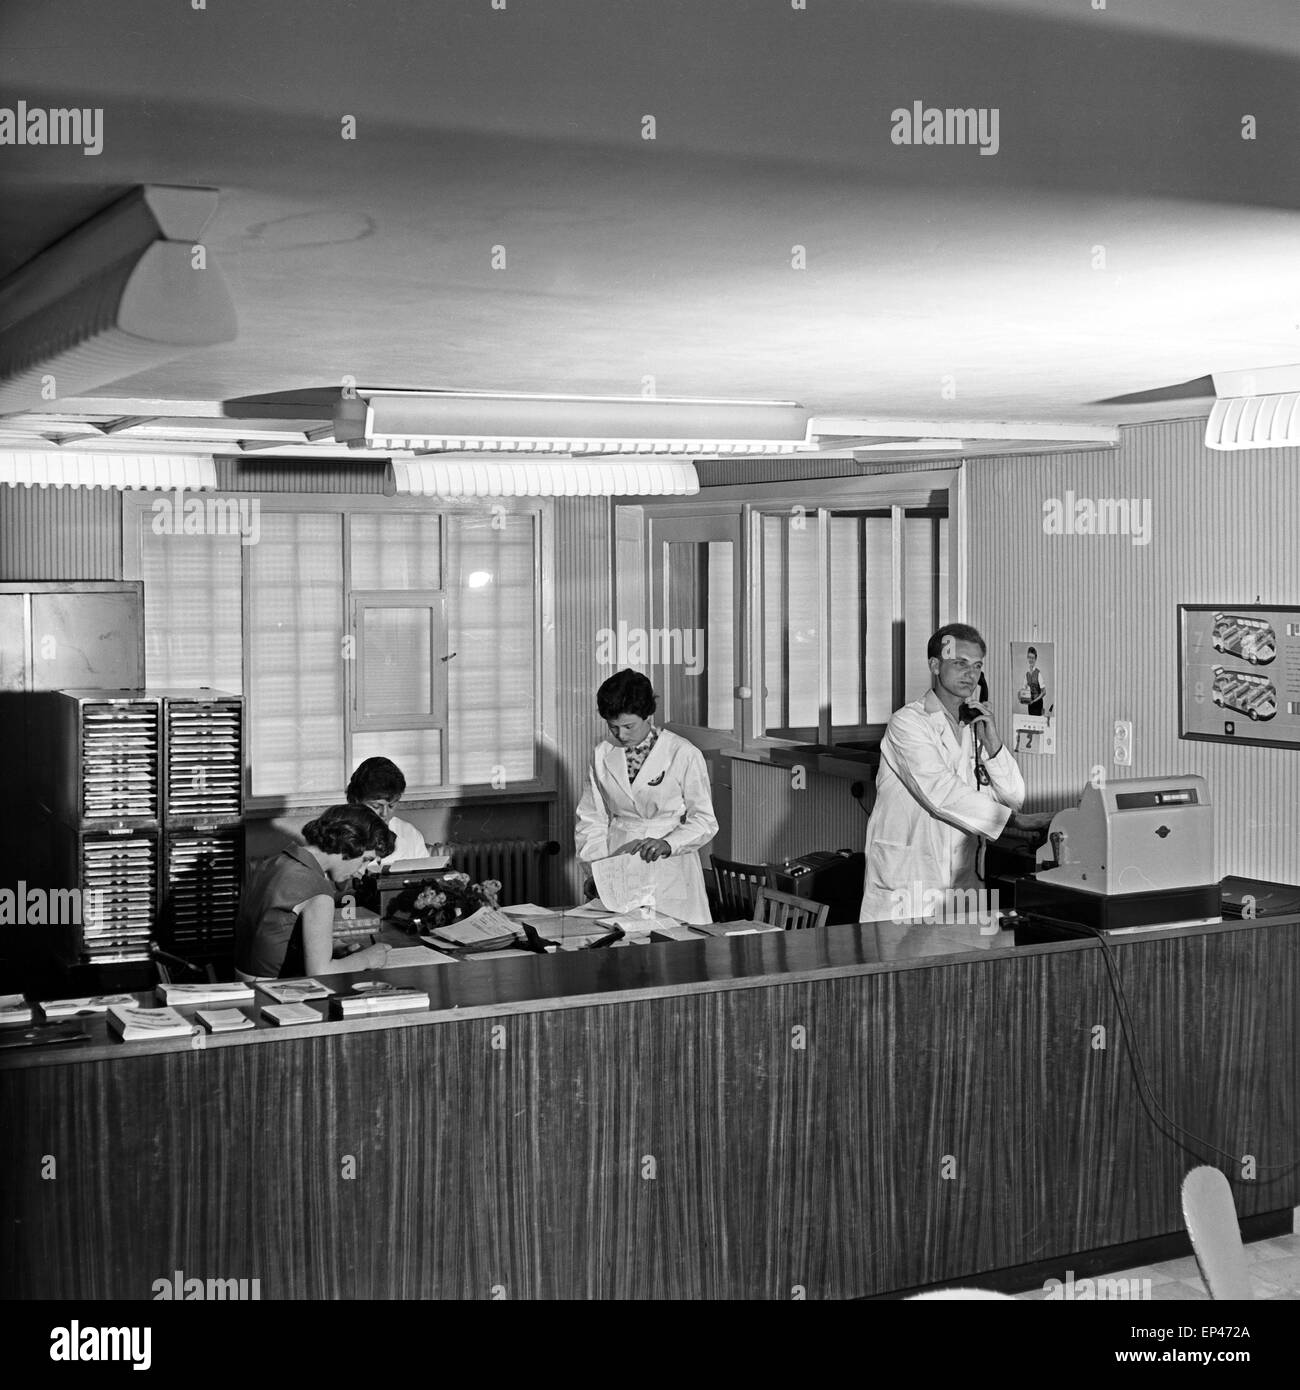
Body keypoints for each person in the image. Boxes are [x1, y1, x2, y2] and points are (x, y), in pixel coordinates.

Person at [859, 623, 1053, 924]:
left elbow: (1014, 797)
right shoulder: (908, 723)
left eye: (977, 666)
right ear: (935, 665)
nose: (971, 674)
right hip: (907, 884)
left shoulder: (975, 727)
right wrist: (1018, 822)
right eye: (960, 663)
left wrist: (994, 744)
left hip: (963, 884)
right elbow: (941, 792)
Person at [575, 669, 718, 924]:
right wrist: (596, 870)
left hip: (671, 867)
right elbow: (591, 819)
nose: (621, 735)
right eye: (613, 727)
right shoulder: (602, 753)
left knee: (675, 947)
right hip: (618, 862)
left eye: (629, 726)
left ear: (648, 715)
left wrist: (669, 844)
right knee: (620, 944)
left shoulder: (682, 753)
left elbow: (705, 820)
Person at [235, 804, 395, 979]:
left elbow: (273, 935)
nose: (362, 871)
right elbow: (320, 972)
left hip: (244, 985)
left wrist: (331, 945)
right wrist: (367, 959)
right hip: (275, 993)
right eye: (365, 859)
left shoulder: (273, 863)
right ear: (350, 843)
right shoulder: (317, 889)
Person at [346, 756, 428, 863]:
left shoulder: (410, 834)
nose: (384, 814)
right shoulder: (338, 836)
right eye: (376, 806)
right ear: (357, 801)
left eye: (391, 806)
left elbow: (426, 874)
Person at [1024, 647, 1045, 717]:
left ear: (1035, 659)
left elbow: (1044, 692)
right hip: (1030, 704)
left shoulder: (1038, 673)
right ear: (1027, 657)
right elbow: (1025, 689)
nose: (1031, 660)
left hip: (1038, 704)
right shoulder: (1026, 674)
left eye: (1032, 658)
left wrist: (1034, 701)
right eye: (1029, 657)